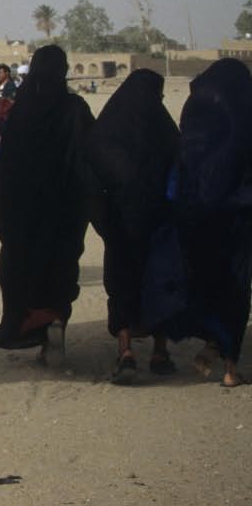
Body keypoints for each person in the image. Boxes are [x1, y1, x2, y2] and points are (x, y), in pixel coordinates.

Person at [0, 45, 94, 362]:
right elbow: (90, 152)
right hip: (65, 210)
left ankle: (31, 325)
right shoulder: (75, 108)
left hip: (25, 212)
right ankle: (55, 326)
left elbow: (6, 165)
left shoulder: (24, 109)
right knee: (60, 269)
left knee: (21, 268)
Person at [79, 69, 180, 383]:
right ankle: (160, 351)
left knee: (122, 284)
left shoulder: (105, 132)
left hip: (121, 227)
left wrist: (106, 225)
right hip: (158, 227)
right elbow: (180, 174)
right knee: (159, 282)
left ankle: (125, 352)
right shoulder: (164, 129)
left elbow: (91, 183)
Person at [170, 58, 252, 387]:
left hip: (196, 209)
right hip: (237, 211)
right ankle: (230, 365)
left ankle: (214, 341)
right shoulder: (243, 109)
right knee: (236, 283)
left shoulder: (195, 106)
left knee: (206, 276)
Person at [0, 63, 18, 143]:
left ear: (7, 73)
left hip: (5, 116)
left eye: (1, 73)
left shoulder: (10, 85)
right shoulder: (1, 85)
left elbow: (11, 101)